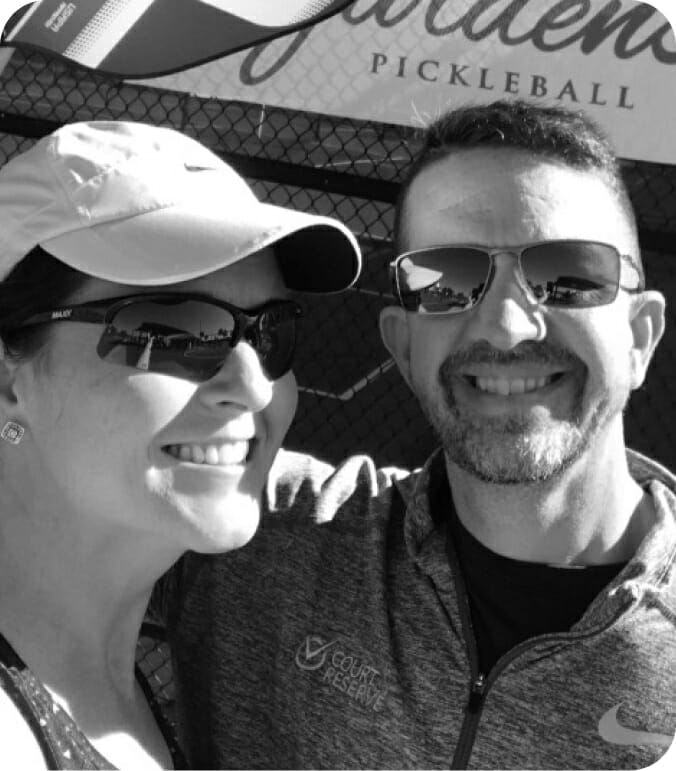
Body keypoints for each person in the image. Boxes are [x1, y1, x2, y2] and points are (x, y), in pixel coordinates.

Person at [156, 100, 676, 770]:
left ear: (640, 335)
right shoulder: (246, 535)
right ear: (402, 347)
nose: (506, 326)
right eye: (446, 281)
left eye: (568, 275)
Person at [0, 119, 361, 769]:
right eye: (175, 331)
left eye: (271, 332)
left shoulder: (103, 680)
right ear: (7, 377)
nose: (253, 386)